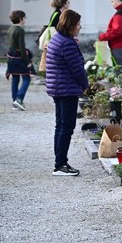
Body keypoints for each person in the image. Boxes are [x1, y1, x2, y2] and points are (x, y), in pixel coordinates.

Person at [46, 10, 89, 176]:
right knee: (67, 127)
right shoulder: (67, 43)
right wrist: (86, 86)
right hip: (66, 88)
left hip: (59, 87)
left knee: (60, 126)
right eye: (78, 24)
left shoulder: (58, 38)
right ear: (70, 25)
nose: (80, 26)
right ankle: (60, 164)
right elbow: (77, 69)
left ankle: (59, 163)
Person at [6, 10, 34, 111]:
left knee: (15, 79)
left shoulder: (10, 29)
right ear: (21, 19)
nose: (25, 19)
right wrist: (28, 62)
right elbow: (22, 48)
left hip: (11, 56)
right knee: (26, 79)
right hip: (19, 57)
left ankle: (15, 102)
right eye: (24, 17)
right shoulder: (20, 30)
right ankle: (19, 99)